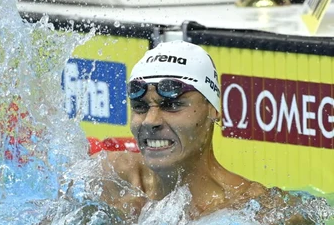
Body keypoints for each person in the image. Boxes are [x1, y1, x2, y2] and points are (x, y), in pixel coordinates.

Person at [92, 40, 326, 224]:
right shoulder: (110, 179)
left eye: (172, 105)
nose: (150, 121)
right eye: (141, 107)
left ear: (214, 110)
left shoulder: (259, 214)